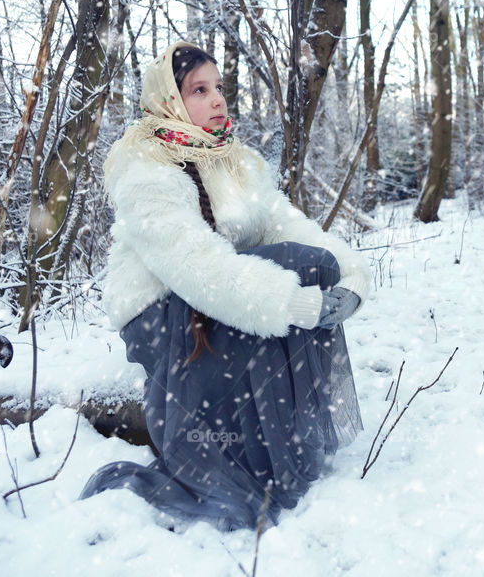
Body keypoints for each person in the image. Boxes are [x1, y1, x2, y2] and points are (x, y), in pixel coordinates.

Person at [79, 41, 371, 532]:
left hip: (221, 297)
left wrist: (350, 279)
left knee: (313, 262)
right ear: (169, 99)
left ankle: (288, 439)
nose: (217, 100)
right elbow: (198, 266)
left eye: (219, 88)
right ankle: (253, 458)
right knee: (292, 275)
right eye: (199, 90)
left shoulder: (232, 159)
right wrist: (290, 302)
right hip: (162, 316)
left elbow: (288, 226)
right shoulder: (146, 165)